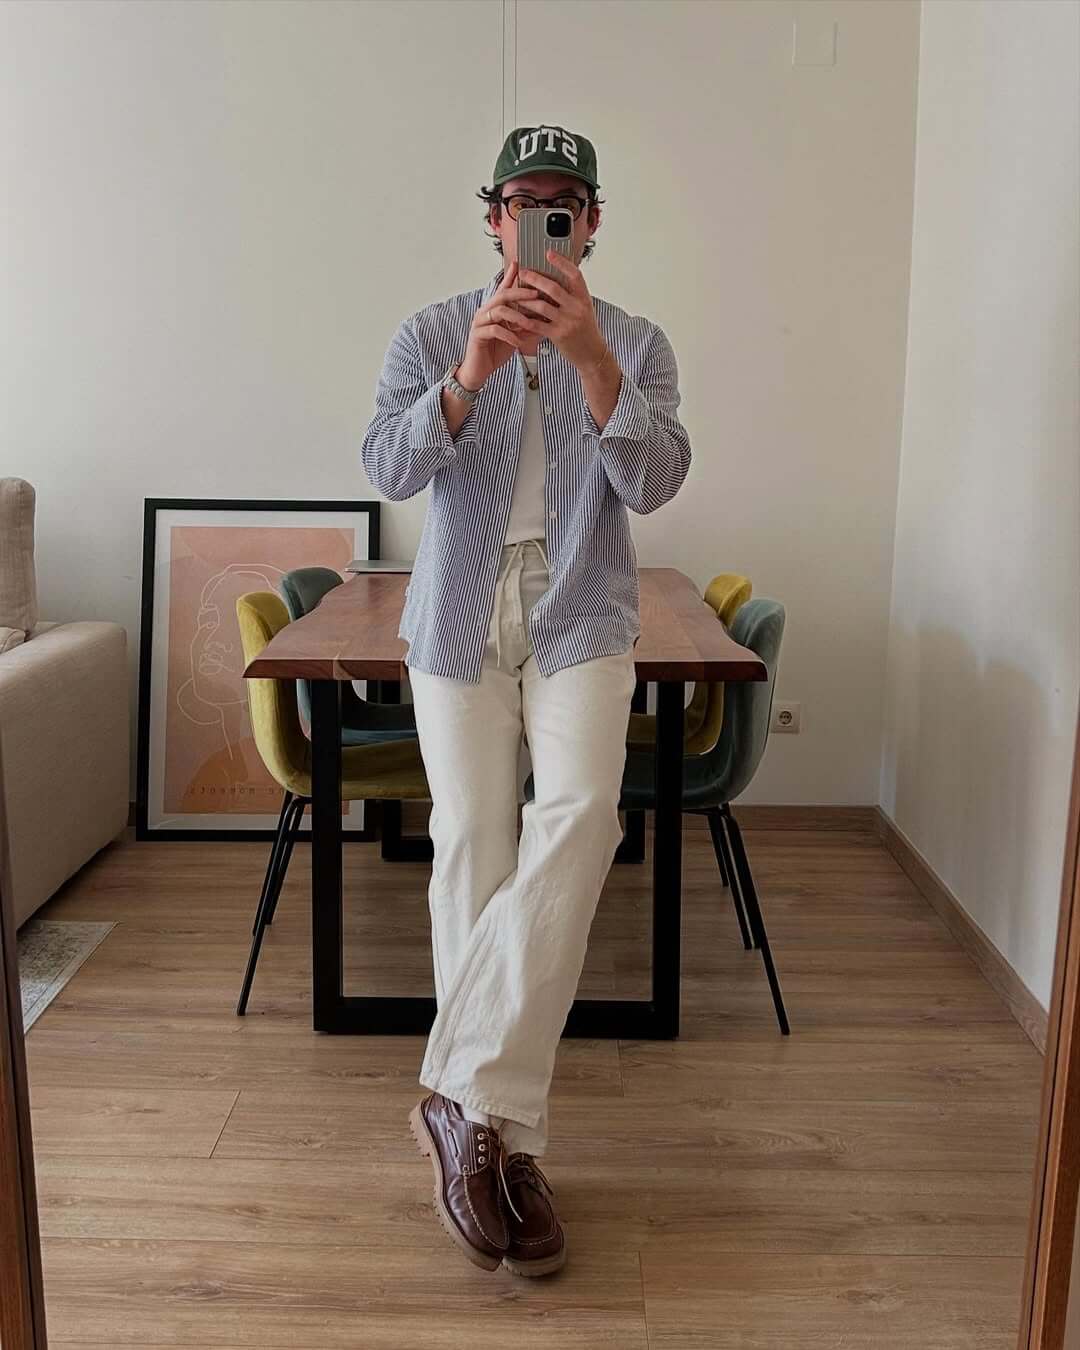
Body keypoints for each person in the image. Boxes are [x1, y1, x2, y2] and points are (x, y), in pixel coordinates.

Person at [360, 124, 692, 1277]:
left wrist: (593, 357)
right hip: (455, 613)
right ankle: (503, 1141)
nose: (543, 218)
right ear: (492, 216)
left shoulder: (636, 340)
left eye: (566, 202)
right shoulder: (431, 332)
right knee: (470, 851)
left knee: (585, 817)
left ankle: (460, 1104)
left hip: (582, 607)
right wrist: (468, 381)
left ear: (594, 221)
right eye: (522, 200)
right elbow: (387, 469)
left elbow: (654, 479)